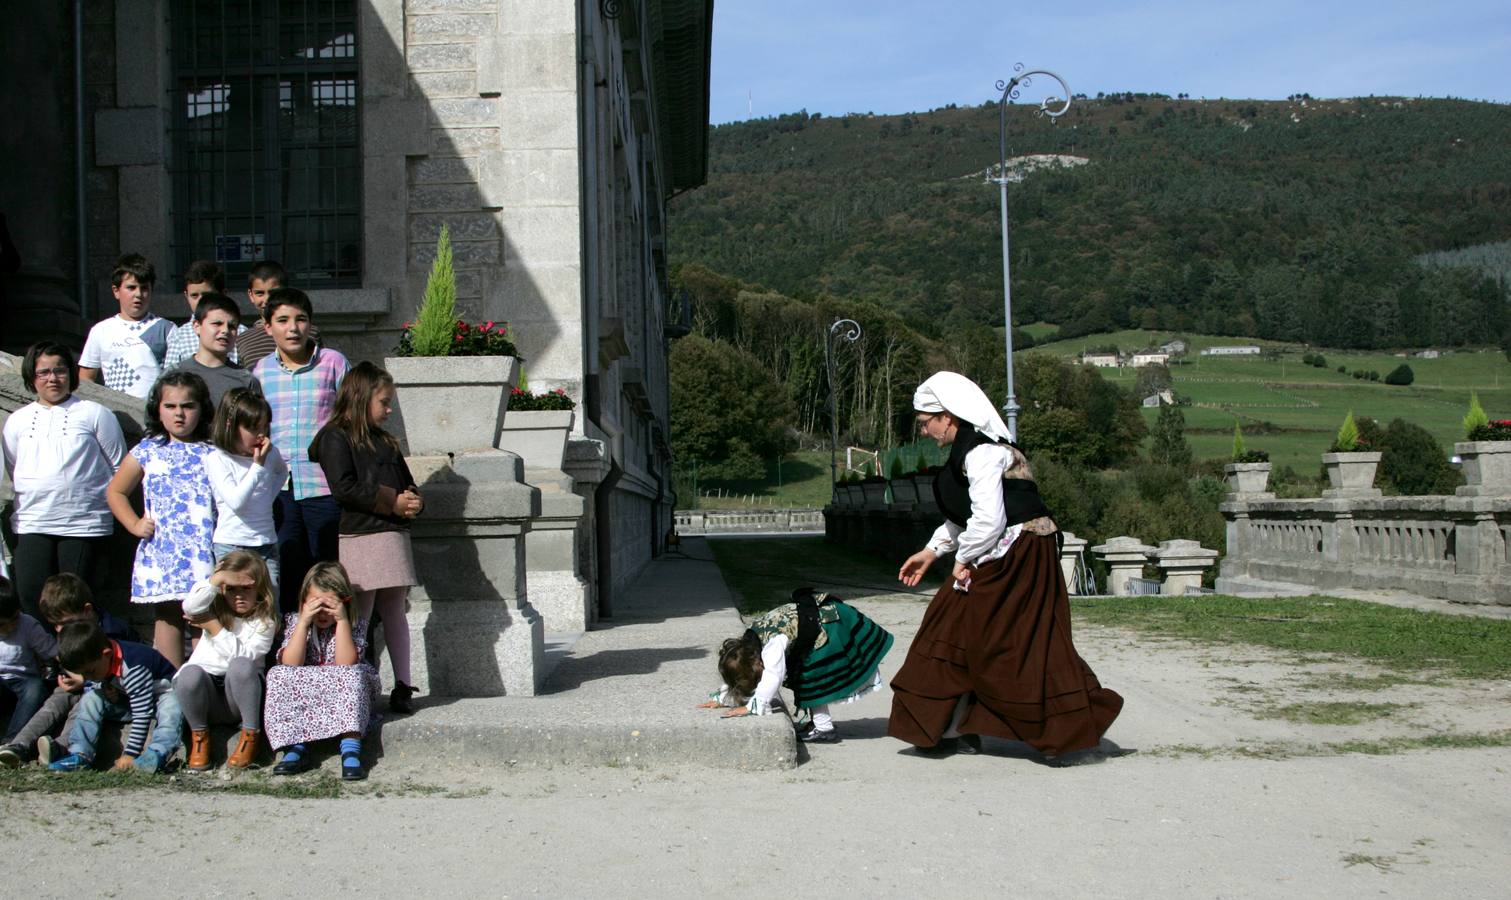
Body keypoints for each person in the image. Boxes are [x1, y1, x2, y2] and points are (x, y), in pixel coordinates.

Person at [888, 372, 1123, 763]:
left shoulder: (983, 452)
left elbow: (989, 520)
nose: (926, 431)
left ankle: (1059, 733)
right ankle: (952, 728)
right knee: (970, 634)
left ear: (948, 416)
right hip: (1012, 553)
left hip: (1018, 558)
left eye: (926, 422)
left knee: (1012, 643)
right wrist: (932, 551)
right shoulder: (971, 452)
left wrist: (961, 561)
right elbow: (966, 516)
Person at [309, 362, 423, 714]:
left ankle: (402, 684)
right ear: (361, 397)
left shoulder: (385, 441)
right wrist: (393, 500)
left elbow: (406, 480)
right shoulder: (335, 436)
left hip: (391, 534)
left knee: (395, 610)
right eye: (384, 402)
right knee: (361, 612)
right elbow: (344, 488)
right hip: (360, 534)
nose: (389, 411)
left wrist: (415, 500)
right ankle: (355, 680)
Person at [2, 342, 126, 620]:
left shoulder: (95, 413)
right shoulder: (18, 421)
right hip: (33, 520)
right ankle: (48, 659)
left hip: (83, 524)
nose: (52, 378)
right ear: (31, 377)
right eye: (43, 372)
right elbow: (14, 467)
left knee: (76, 602)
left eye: (59, 370)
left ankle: (80, 661)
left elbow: (120, 467)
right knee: (31, 595)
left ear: (70, 373)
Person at [106, 372, 217, 666]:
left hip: (204, 551)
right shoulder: (148, 450)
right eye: (171, 406)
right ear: (158, 409)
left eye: (188, 406)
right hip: (164, 550)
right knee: (168, 616)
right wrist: (134, 524)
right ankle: (170, 688)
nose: (179, 414)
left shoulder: (213, 451)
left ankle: (203, 684)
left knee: (203, 614)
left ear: (201, 409)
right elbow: (116, 491)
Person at [251, 288, 349, 612]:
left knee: (329, 572)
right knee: (289, 571)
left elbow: (350, 419)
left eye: (300, 319)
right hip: (279, 488)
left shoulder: (333, 363)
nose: (292, 328)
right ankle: (294, 654)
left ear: (310, 324)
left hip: (324, 485)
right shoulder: (261, 372)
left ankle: (336, 655)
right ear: (268, 327)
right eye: (282, 320)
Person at [699, 588, 894, 743]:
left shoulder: (770, 647)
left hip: (831, 624)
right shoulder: (750, 645)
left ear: (756, 664)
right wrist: (724, 696)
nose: (759, 679)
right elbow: (741, 671)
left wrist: (755, 705)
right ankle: (819, 725)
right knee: (805, 672)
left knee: (811, 677)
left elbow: (773, 675)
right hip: (820, 620)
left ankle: (824, 729)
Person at [0, 574, 138, 768]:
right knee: (55, 701)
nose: (58, 630)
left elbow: (123, 673)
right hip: (82, 683)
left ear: (87, 611)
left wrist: (85, 681)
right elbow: (66, 659)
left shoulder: (114, 632)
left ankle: (61, 747)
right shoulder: (71, 631)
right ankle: (17, 746)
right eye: (54, 625)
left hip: (111, 692)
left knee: (83, 704)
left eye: (63, 624)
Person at [263, 562, 379, 781]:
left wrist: (342, 619)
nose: (322, 613)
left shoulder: (353, 625)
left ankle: (351, 745)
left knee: (352, 674)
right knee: (278, 674)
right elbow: (290, 663)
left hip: (341, 690)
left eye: (329, 606)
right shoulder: (296, 622)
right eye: (316, 605)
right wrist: (304, 622)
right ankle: (294, 745)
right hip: (308, 691)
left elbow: (346, 662)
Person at [175, 552, 277, 772]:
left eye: (246, 588)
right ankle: (199, 738)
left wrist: (214, 627)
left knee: (241, 665)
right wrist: (217, 579)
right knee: (189, 673)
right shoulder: (214, 608)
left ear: (259, 588)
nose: (238, 596)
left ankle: (251, 735)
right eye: (231, 589)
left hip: (239, 699)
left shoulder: (264, 622)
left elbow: (243, 657)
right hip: (208, 696)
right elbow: (190, 608)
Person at [46, 618, 181, 774]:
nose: (87, 678)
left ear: (107, 654)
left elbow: (142, 712)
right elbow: (105, 680)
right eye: (82, 674)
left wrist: (130, 753)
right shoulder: (100, 661)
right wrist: (107, 691)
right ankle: (79, 754)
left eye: (90, 672)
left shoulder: (133, 667)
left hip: (159, 698)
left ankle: (157, 754)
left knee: (171, 706)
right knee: (91, 699)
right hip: (130, 699)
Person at [205, 389, 287, 593]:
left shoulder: (271, 453)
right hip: (232, 544)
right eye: (252, 428)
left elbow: (282, 473)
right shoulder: (218, 458)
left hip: (266, 542)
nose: (260, 434)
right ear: (230, 426)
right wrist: (258, 466)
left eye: (264, 427)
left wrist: (266, 499)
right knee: (234, 608)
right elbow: (236, 501)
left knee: (270, 606)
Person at [78, 253, 172, 398]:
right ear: (116, 291)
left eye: (144, 288)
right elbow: (85, 380)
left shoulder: (167, 329)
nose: (138, 294)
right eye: (131, 287)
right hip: (115, 413)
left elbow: (178, 378)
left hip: (155, 414)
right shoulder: (101, 331)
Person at [170, 292, 260, 407]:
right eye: (217, 323)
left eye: (232, 326)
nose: (225, 331)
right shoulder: (174, 374)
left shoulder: (246, 380)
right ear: (197, 326)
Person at [0, 586, 56, 745]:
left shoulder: (27, 625)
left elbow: (52, 650)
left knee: (35, 688)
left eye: (14, 619)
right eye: (3, 624)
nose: (11, 627)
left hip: (23, 683)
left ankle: (12, 742)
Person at [163, 260, 237, 369]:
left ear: (223, 294)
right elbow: (170, 377)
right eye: (194, 295)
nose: (201, 301)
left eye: (207, 295)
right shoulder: (179, 336)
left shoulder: (238, 332)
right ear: (186, 296)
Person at [235, 261, 289, 369]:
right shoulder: (243, 340)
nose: (267, 300)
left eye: (273, 293)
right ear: (251, 295)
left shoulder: (307, 332)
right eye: (260, 293)